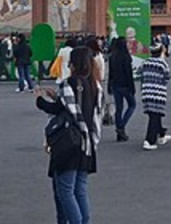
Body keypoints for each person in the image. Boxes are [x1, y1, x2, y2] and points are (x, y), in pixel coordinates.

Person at [36, 46, 102, 224]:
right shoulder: (95, 85)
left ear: (73, 63)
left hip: (69, 143)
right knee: (80, 189)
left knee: (65, 190)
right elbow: (87, 109)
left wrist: (40, 100)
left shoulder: (69, 83)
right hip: (87, 143)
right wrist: (57, 96)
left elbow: (59, 109)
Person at [140, 44, 171, 151]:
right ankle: (149, 140)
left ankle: (161, 133)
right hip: (158, 92)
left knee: (154, 114)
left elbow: (140, 74)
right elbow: (167, 77)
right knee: (155, 116)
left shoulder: (145, 62)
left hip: (146, 91)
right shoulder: (162, 63)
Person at [108, 37, 136, 142]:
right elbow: (129, 74)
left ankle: (120, 131)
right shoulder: (125, 57)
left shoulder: (112, 56)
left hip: (115, 85)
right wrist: (132, 88)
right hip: (125, 85)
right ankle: (121, 127)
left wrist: (109, 87)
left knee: (119, 109)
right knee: (132, 105)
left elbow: (110, 73)